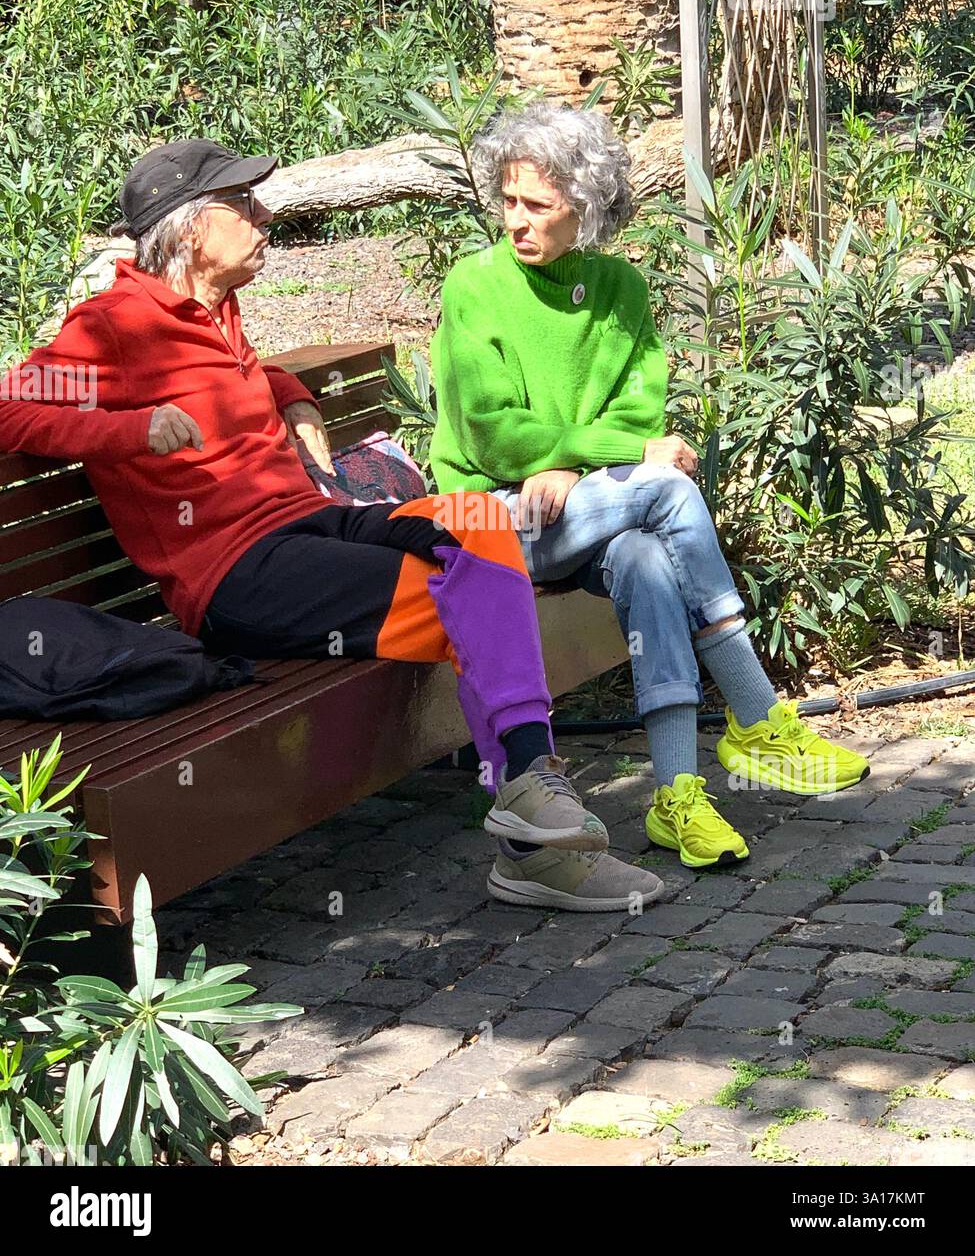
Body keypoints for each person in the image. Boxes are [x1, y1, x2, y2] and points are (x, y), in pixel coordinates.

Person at [0, 138, 665, 914]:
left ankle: (528, 810)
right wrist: (130, 431)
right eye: (241, 205)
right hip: (237, 575)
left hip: (311, 524)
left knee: (480, 525)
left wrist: (285, 388)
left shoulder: (217, 308)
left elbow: (226, 377)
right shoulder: (113, 324)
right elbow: (13, 408)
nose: (264, 215)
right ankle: (533, 840)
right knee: (474, 594)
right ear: (187, 230)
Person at [430, 101, 869, 884]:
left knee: (645, 560)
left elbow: (636, 406)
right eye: (507, 201)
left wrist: (572, 462)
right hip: (488, 523)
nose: (516, 222)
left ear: (587, 208)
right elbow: (494, 434)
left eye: (538, 205)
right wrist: (607, 455)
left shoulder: (619, 289)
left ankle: (676, 794)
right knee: (664, 488)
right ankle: (755, 709)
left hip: (587, 509)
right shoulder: (475, 287)